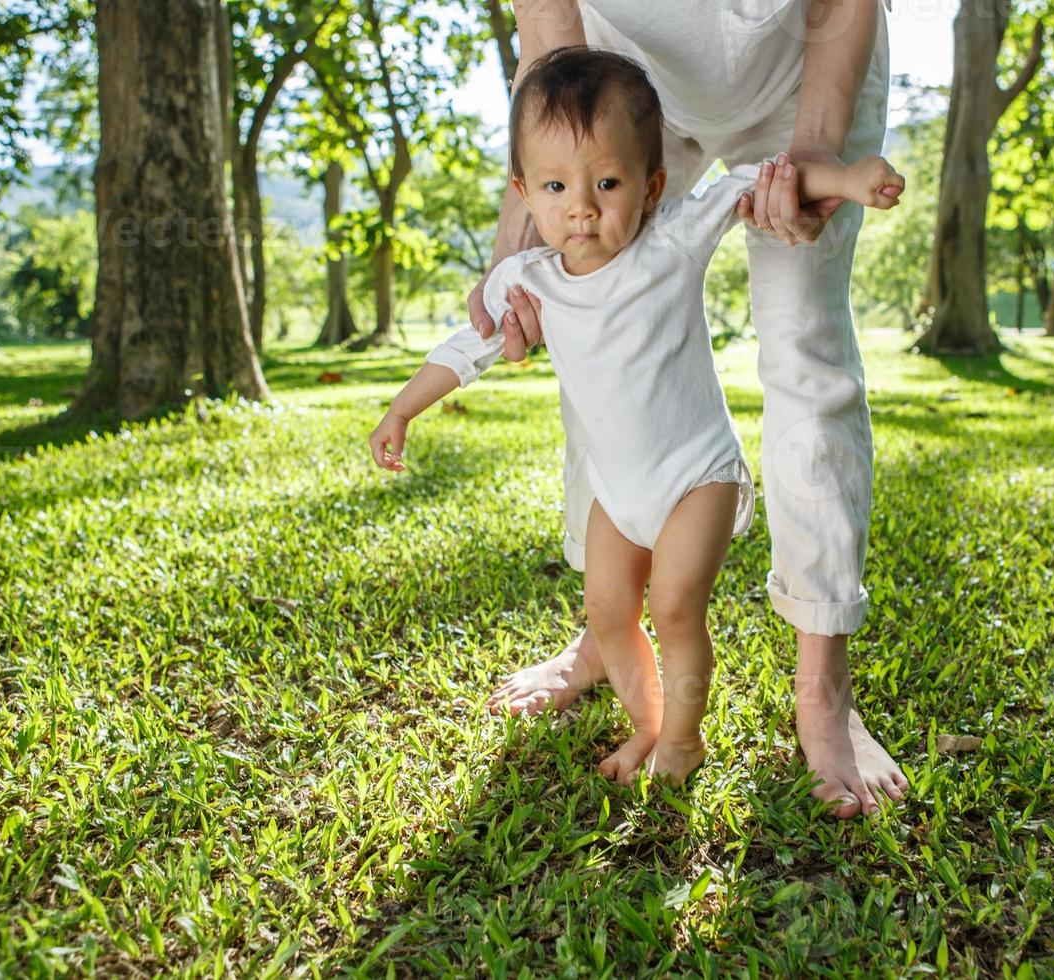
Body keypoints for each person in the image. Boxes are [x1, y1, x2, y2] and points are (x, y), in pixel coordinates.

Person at [370, 47, 903, 786]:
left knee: (675, 606)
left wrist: (847, 178)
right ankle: (647, 725)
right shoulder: (528, 280)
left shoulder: (672, 241)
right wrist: (402, 410)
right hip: (615, 496)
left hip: (695, 478)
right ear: (524, 192)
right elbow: (466, 349)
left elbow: (760, 178)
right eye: (555, 186)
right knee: (609, 607)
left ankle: (684, 740)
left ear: (652, 187)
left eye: (607, 182)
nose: (581, 206)